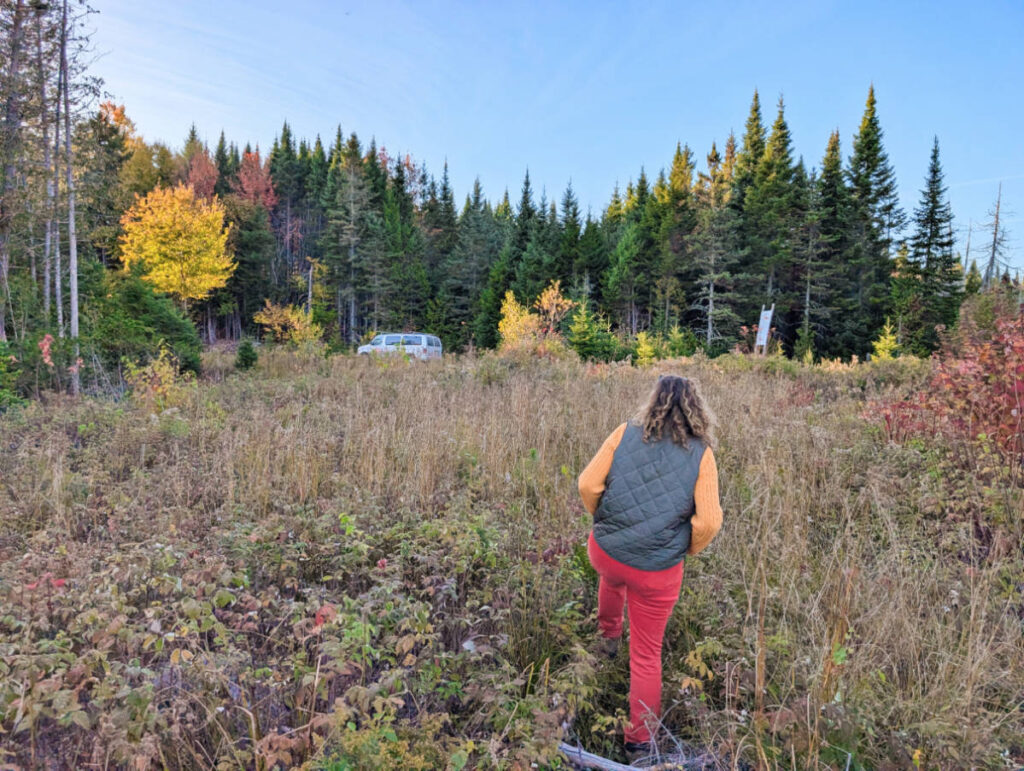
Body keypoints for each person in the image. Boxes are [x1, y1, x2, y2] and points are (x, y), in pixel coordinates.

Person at [577, 374, 724, 760]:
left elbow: (587, 484)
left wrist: (604, 521)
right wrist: (685, 548)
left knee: (612, 578)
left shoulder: (624, 432)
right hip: (656, 572)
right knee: (645, 655)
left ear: (653, 400)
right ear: (695, 408)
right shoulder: (701, 454)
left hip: (607, 552)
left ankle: (607, 639)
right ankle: (640, 742)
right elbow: (709, 522)